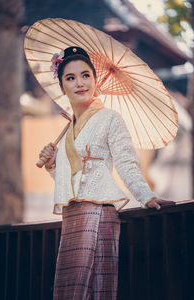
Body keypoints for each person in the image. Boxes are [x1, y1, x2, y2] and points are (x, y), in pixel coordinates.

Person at [39, 46, 174, 300]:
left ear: (95, 80)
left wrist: (146, 196)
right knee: (69, 289)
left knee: (96, 286)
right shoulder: (69, 130)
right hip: (73, 216)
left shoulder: (110, 119)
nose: (80, 83)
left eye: (86, 75)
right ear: (62, 86)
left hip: (99, 213)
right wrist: (53, 164)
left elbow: (127, 165)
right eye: (70, 77)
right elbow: (71, 182)